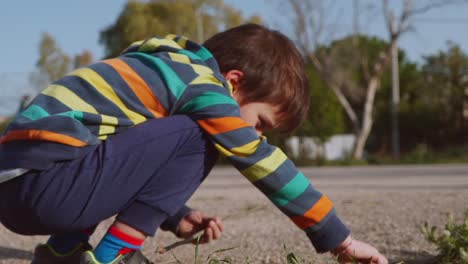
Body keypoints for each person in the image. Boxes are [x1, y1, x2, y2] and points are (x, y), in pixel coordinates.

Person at [0, 24, 387, 264]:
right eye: (260, 122)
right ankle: (114, 256)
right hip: (48, 185)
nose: (257, 135)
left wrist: (175, 214)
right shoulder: (202, 84)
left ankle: (63, 254)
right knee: (202, 134)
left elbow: (117, 163)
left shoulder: (160, 74)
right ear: (233, 82)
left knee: (146, 135)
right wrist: (340, 239)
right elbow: (259, 160)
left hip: (20, 187)